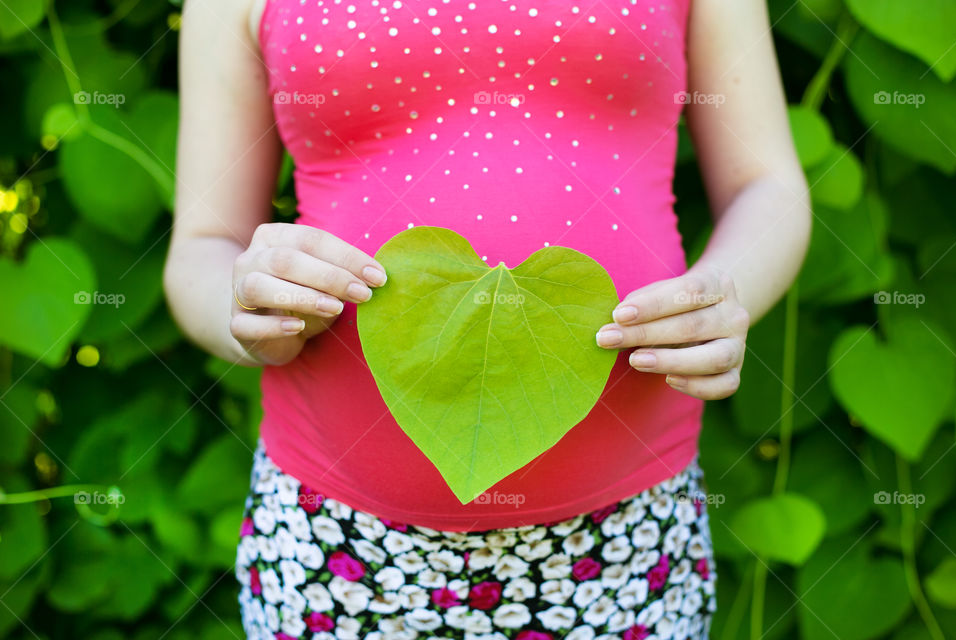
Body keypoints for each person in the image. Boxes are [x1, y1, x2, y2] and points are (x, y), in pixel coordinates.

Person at [164, 0, 810, 637]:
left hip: (626, 535)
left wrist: (730, 293)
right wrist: (243, 306)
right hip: (337, 542)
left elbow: (767, 185)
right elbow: (201, 249)